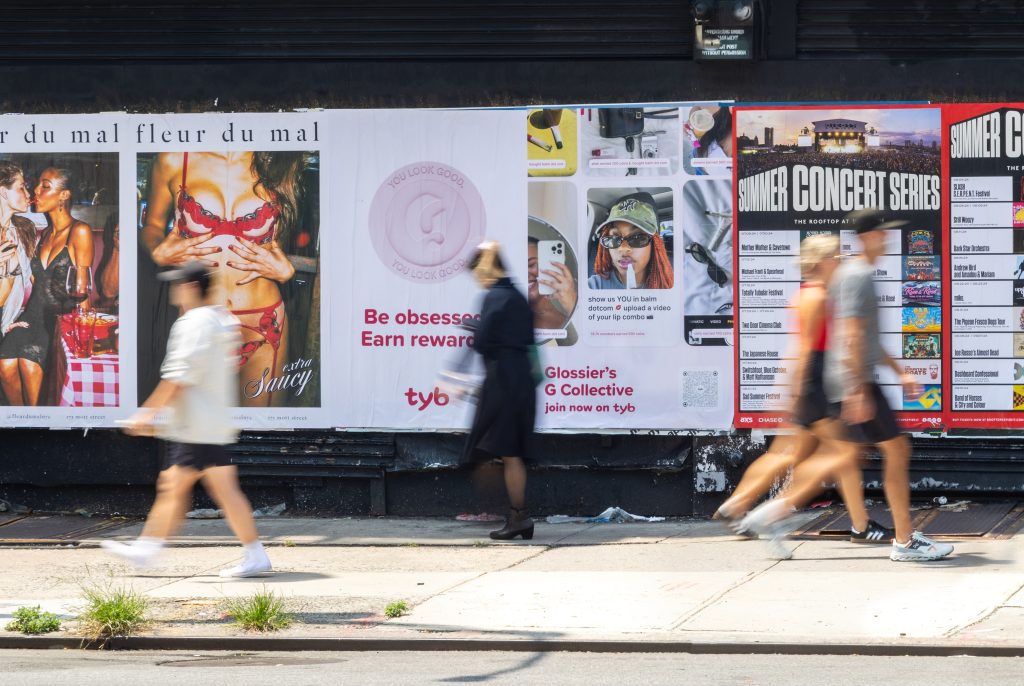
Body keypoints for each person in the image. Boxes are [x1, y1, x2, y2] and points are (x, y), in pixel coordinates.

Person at [743, 210, 953, 562]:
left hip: (851, 378)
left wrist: (899, 371)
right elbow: (852, 334)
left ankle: (773, 513)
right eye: (882, 233)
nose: (887, 239)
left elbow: (867, 338)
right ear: (866, 237)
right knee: (894, 451)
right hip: (854, 381)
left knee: (842, 455)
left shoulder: (853, 274)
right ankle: (904, 541)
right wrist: (857, 389)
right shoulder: (858, 275)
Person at [101, 261, 272, 577]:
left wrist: (146, 414)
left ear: (191, 287)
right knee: (201, 488)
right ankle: (253, 554)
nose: (174, 289)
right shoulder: (221, 319)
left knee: (177, 486)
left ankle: (148, 549)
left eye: (178, 283)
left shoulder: (194, 323)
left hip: (196, 426)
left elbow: (179, 377)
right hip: (211, 422)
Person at [720, 235, 882, 557]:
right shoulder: (818, 296)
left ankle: (737, 505)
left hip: (814, 380)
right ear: (821, 260)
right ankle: (849, 523)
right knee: (844, 454)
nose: (841, 259)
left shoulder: (810, 293)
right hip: (817, 381)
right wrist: (790, 390)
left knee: (791, 453)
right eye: (836, 255)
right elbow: (805, 347)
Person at [140, 151, 306, 407]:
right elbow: (151, 224)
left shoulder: (280, 158)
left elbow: (276, 246)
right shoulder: (174, 157)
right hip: (198, 324)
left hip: (264, 323)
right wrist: (156, 250)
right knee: (195, 436)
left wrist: (287, 271)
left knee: (260, 433)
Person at [462, 241, 537, 541]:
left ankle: (515, 514)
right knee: (512, 453)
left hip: (502, 383)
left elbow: (482, 342)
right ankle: (517, 516)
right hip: (522, 383)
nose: (478, 280)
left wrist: (471, 328)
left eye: (478, 273)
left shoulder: (494, 297)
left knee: (490, 450)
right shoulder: (517, 296)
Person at [0, 167, 93, 406]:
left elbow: (84, 291)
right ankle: (21, 424)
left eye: (45, 186)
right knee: (5, 363)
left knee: (29, 364)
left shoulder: (79, 231)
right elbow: (31, 281)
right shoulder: (41, 234)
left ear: (64, 195)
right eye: (35, 185)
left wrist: (82, 336)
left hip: (59, 319)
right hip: (31, 315)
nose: (35, 192)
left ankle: (38, 424)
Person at [588, 192, 673, 290]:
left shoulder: (670, 287)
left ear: (654, 245)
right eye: (614, 238)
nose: (623, 248)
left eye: (638, 238)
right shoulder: (595, 286)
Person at [0, 162, 36, 342]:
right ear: (3, 192)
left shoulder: (24, 229)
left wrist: (29, 318)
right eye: (22, 188)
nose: (28, 195)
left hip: (9, 322)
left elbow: (34, 278)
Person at [527, 235, 577, 344]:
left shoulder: (566, 322)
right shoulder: (506, 316)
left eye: (530, 265)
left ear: (548, 266)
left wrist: (572, 304)